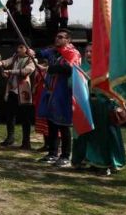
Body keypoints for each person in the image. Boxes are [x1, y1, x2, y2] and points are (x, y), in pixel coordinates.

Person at [71, 44, 126, 174]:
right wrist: (80, 75)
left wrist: (120, 104)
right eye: (87, 51)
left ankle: (106, 164)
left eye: (92, 51)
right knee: (87, 135)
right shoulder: (81, 67)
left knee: (104, 136)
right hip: (87, 105)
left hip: (104, 106)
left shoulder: (106, 69)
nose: (89, 54)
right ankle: (91, 161)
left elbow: (115, 87)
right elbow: (71, 83)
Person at [35, 29, 79, 168]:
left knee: (64, 125)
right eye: (56, 37)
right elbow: (41, 53)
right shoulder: (53, 51)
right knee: (52, 124)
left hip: (64, 94)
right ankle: (52, 153)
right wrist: (31, 52)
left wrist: (50, 68)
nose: (57, 39)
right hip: (51, 92)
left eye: (61, 37)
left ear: (68, 40)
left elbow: (68, 69)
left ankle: (66, 156)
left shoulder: (73, 53)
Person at [0, 41, 35, 149]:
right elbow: (6, 62)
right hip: (12, 91)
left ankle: (26, 142)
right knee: (10, 116)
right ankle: (10, 138)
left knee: (25, 118)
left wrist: (9, 71)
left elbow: (25, 71)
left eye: (21, 47)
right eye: (18, 47)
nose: (18, 49)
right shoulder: (15, 57)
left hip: (24, 92)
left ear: (27, 49)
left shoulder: (32, 60)